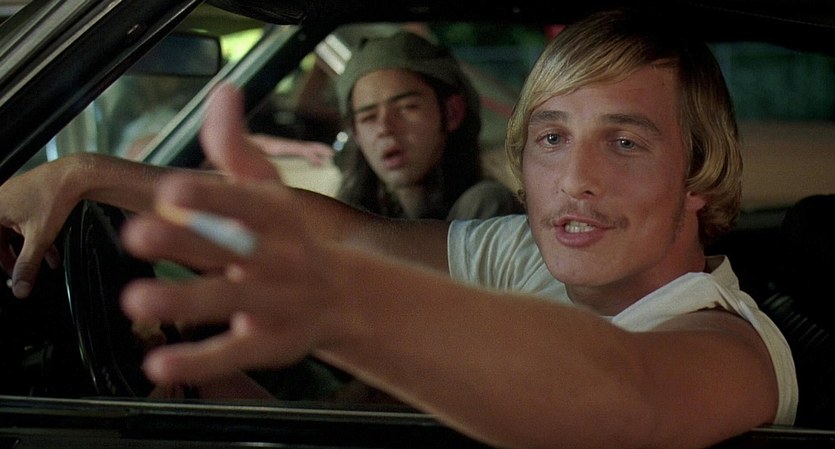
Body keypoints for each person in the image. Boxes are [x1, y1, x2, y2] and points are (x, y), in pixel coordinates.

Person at [0, 7, 798, 449]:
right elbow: (344, 236)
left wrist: (347, 304)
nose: (575, 178)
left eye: (625, 142)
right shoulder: (529, 252)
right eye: (552, 137)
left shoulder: (730, 348)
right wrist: (87, 175)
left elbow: (621, 396)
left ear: (698, 175)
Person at [333, 30, 521, 219]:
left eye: (406, 107)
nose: (384, 129)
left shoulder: (484, 204)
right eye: (368, 117)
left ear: (452, 113)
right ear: (355, 133)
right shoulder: (352, 218)